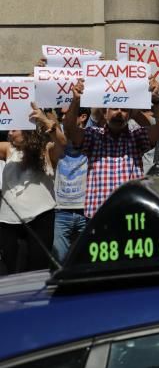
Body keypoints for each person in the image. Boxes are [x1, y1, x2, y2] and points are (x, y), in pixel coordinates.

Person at [63, 79, 159, 218]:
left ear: (129, 115)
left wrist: (156, 101)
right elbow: (70, 130)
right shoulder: (93, 136)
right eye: (114, 108)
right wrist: (75, 101)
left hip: (131, 216)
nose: (119, 113)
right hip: (99, 217)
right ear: (104, 113)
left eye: (124, 109)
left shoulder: (137, 137)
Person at [0, 106, 65, 273]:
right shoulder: (8, 149)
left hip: (40, 219)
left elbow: (62, 143)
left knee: (38, 269)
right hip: (8, 222)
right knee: (10, 270)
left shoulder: (47, 150)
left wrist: (45, 121)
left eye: (14, 129)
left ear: (28, 130)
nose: (9, 133)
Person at [52, 106, 90, 261]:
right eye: (61, 115)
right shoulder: (54, 136)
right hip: (61, 210)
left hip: (87, 210)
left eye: (67, 115)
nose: (62, 118)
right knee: (59, 262)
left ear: (83, 117)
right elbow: (60, 137)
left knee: (89, 262)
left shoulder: (93, 135)